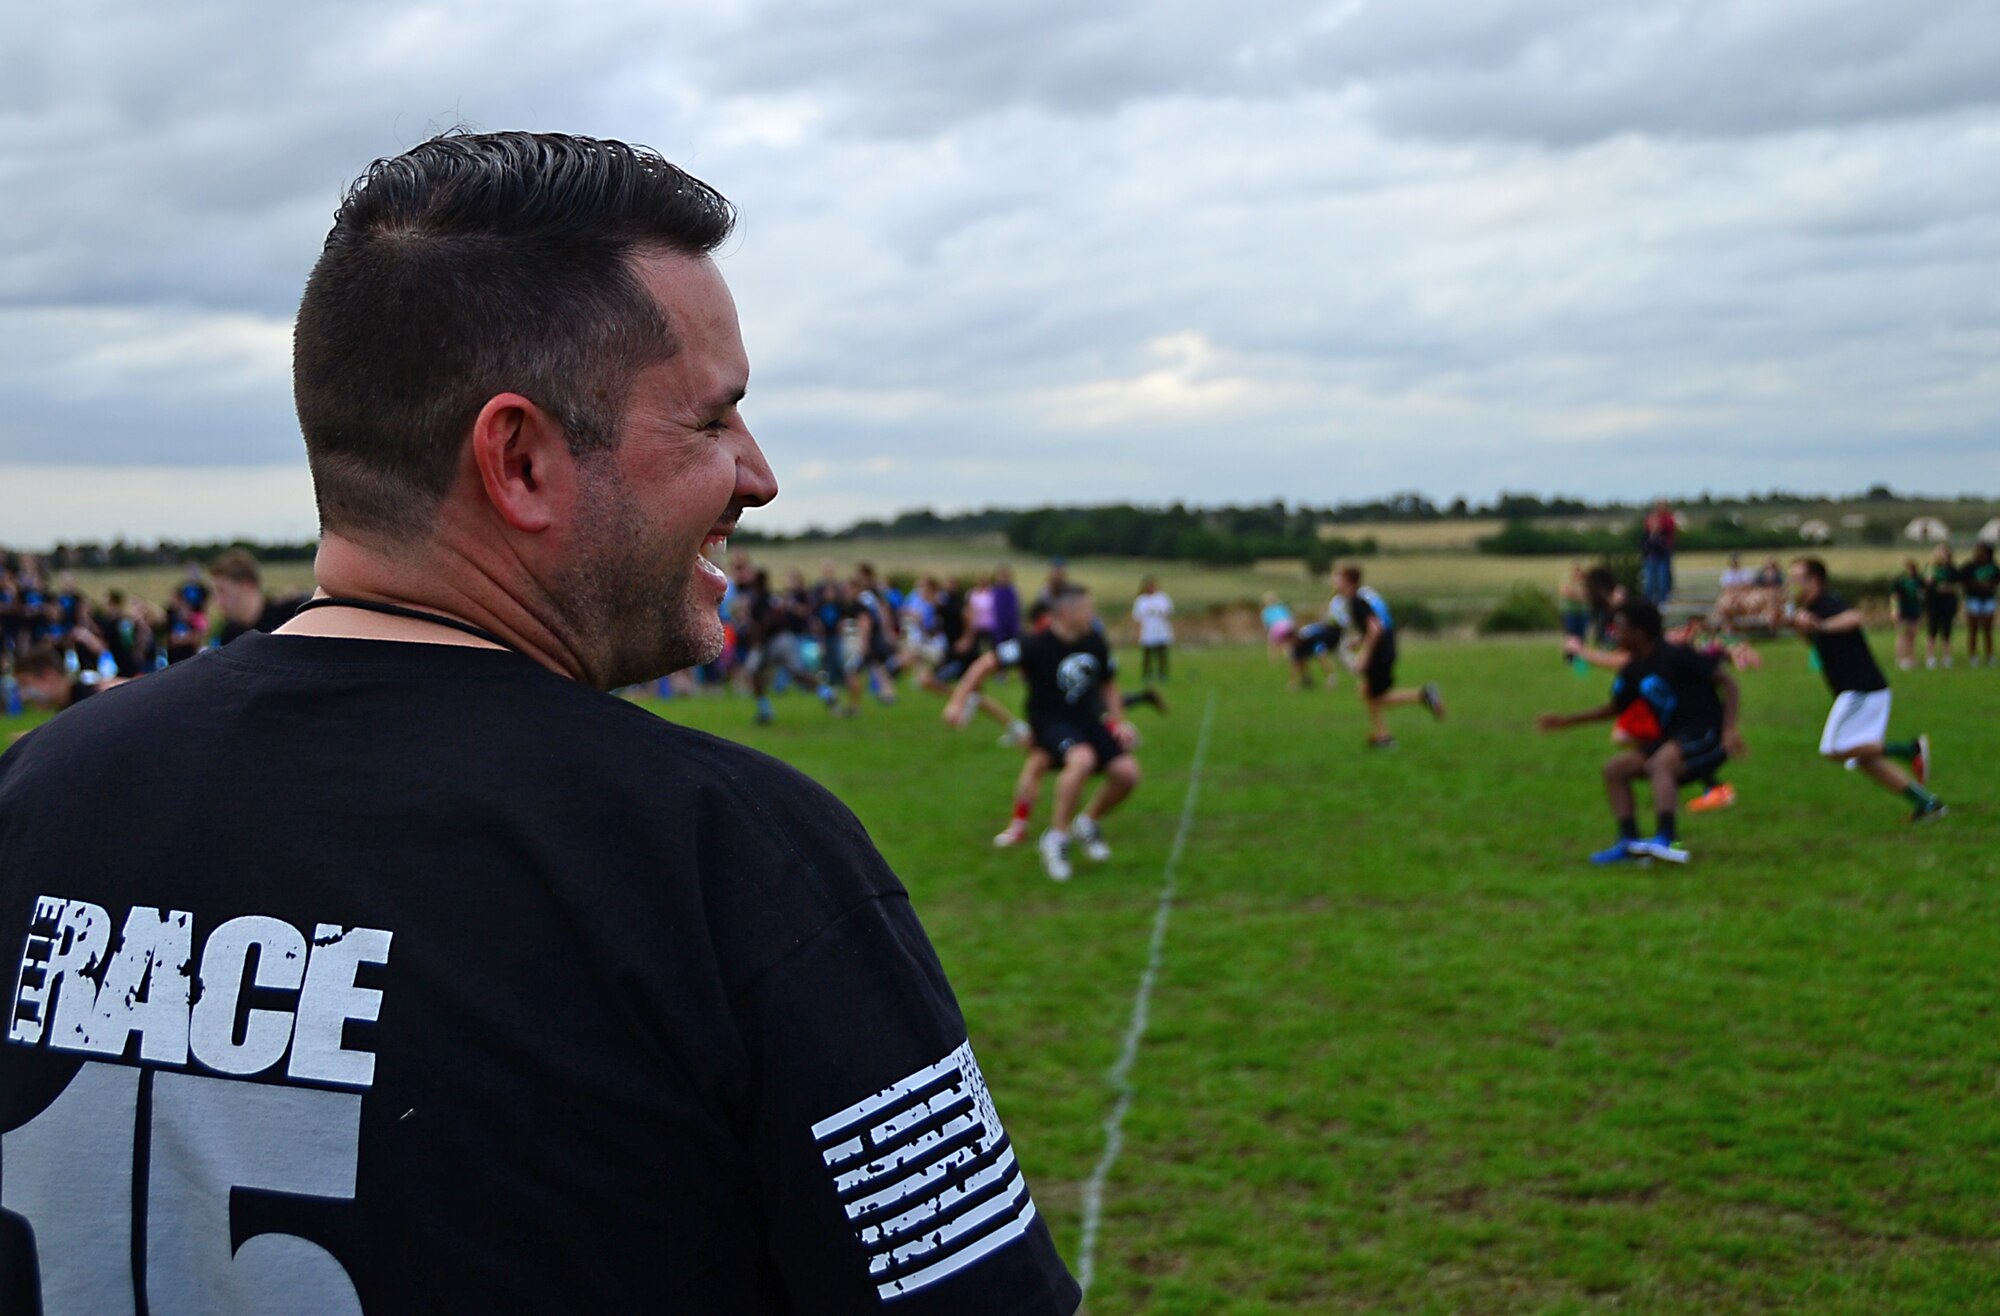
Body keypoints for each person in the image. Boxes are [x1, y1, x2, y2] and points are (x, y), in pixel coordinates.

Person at [0, 132, 1078, 1315]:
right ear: (518, 459)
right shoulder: (727, 859)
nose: (758, 475)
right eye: (711, 420)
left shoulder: (42, 791)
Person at [944, 585, 1140, 883]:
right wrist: (958, 701)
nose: (1092, 614)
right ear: (1065, 613)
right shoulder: (1034, 645)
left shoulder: (1095, 642)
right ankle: (1056, 838)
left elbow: (1108, 684)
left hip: (1087, 721)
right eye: (1087, 609)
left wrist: (1118, 721)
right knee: (1081, 759)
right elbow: (985, 663)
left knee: (1127, 773)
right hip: (1050, 723)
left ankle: (1087, 823)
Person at [1536, 600, 1744, 865]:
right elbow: (1616, 707)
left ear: (1641, 631)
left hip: (1706, 734)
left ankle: (1667, 839)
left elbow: (1728, 682)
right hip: (1672, 738)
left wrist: (1729, 730)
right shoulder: (1632, 668)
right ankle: (1628, 843)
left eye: (1620, 627)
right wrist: (1567, 721)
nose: (1613, 633)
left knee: (1661, 764)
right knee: (1615, 769)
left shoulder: (1677, 655)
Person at [1787, 557, 1946, 824]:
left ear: (1814, 580)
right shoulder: (1813, 607)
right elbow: (1816, 641)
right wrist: (1802, 628)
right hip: (1860, 688)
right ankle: (1927, 804)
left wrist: (1821, 625)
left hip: (1860, 688)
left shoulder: (1828, 602)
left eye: (1796, 579)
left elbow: (1854, 618)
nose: (1792, 585)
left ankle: (1909, 749)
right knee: (1865, 759)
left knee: (1834, 748)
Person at [1335, 565, 1443, 747]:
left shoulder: (1356, 600)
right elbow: (1378, 624)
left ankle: (1422, 696)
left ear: (1347, 580)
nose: (1334, 580)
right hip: (1387, 648)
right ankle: (1383, 735)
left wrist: (1364, 656)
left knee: (1374, 696)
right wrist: (1359, 639)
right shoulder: (1364, 595)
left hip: (1380, 653)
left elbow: (1375, 628)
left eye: (1337, 577)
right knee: (1367, 692)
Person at [209, 547, 299, 644]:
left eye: (222, 591)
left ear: (247, 586)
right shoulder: (229, 635)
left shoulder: (290, 616)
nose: (218, 602)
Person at [1131, 575, 1174, 683]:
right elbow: (1137, 617)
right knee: (1147, 655)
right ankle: (1147, 675)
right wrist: (1136, 633)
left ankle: (1162, 674)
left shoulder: (1162, 598)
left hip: (1161, 630)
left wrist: (1161, 613)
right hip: (1147, 631)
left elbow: (1169, 613)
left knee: (1162, 654)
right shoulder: (1141, 600)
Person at [1923, 543, 1959, 669]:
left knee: (1947, 631)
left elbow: (1958, 586)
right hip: (1934, 604)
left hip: (1947, 603)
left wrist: (1948, 588)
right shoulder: (1931, 568)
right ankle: (1930, 657)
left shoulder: (1952, 570)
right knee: (1932, 631)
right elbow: (1925, 585)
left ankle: (1947, 657)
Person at [1961, 541, 1997, 667]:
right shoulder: (1970, 566)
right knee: (1973, 629)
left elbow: (1996, 580)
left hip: (1988, 599)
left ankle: (1990, 655)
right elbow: (1963, 582)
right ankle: (1973, 656)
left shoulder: (1992, 566)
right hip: (1973, 599)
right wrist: (1975, 586)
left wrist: (1989, 585)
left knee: (1987, 629)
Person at [1640, 499, 1678, 605]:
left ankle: (1663, 600)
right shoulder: (1648, 534)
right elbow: (1644, 544)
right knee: (1650, 580)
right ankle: (1648, 601)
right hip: (1651, 556)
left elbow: (1670, 529)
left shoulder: (1667, 520)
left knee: (1663, 578)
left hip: (1663, 554)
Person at [1890, 558, 1926, 671]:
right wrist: (1895, 609)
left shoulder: (1918, 581)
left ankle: (1911, 657)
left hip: (1914, 610)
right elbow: (1894, 596)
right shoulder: (1900, 581)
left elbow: (1923, 594)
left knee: (1912, 635)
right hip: (1903, 610)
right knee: (1901, 634)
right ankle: (1900, 658)